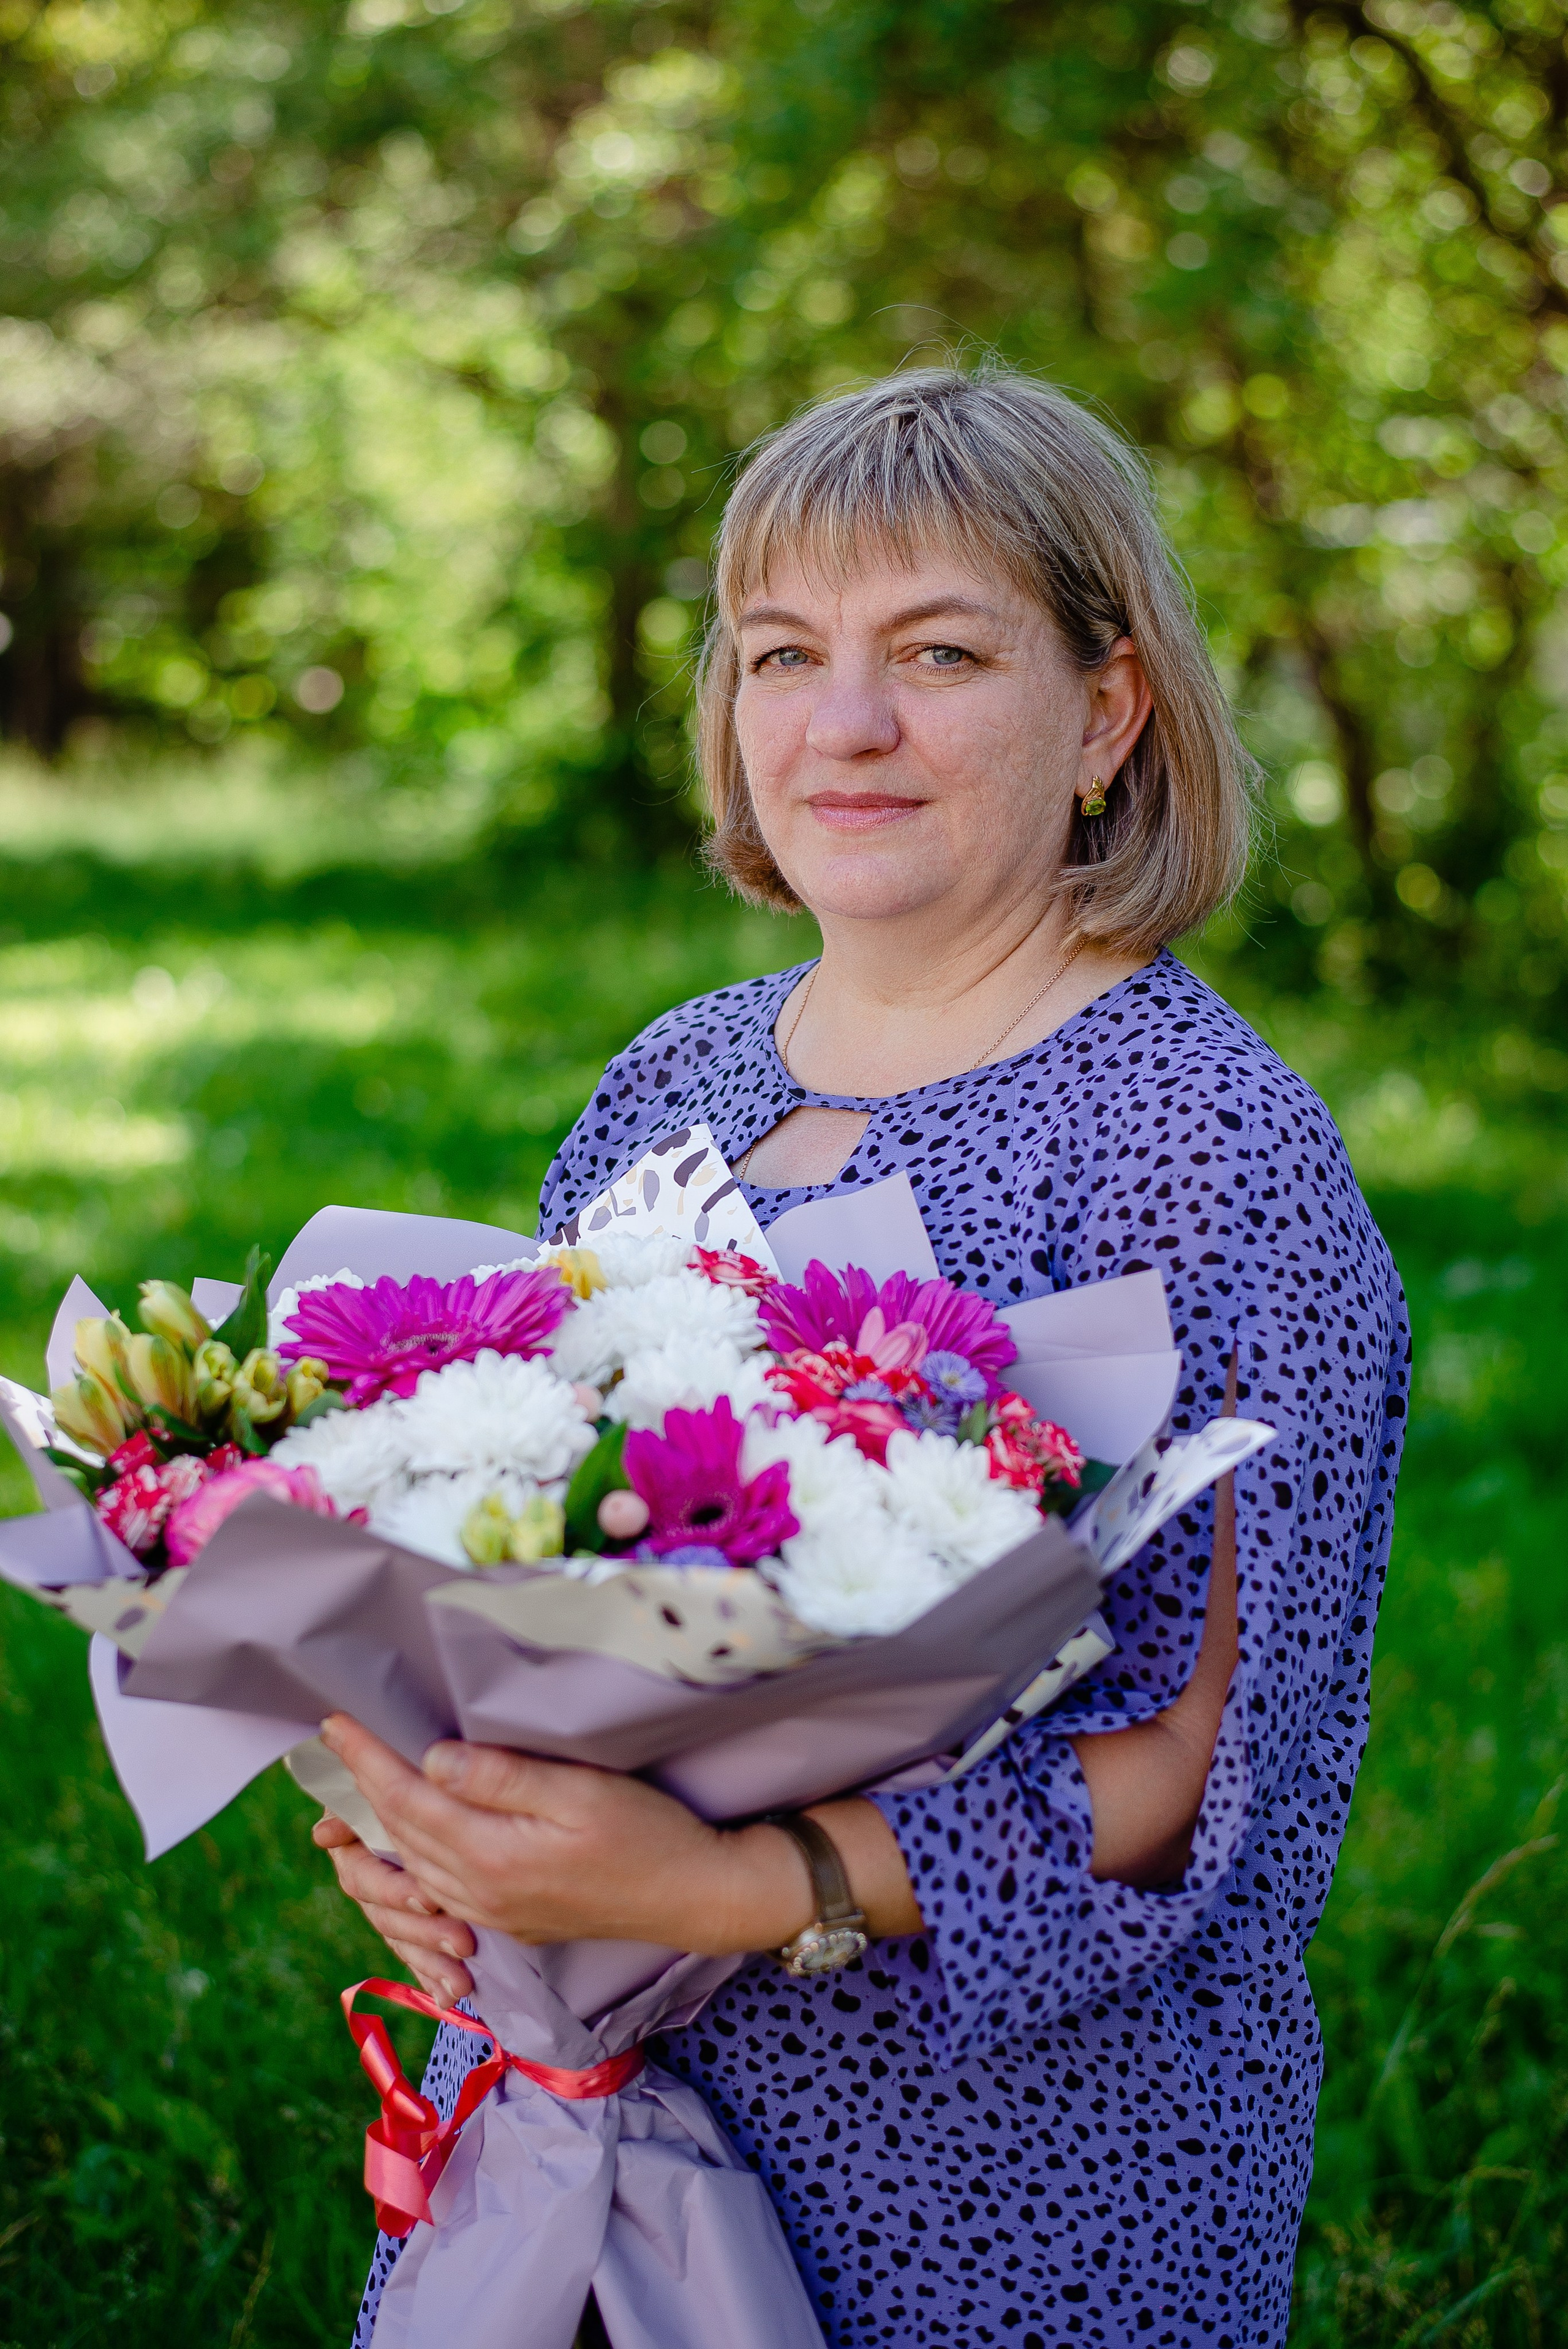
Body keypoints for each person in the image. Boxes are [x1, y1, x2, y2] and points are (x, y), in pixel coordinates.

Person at [321, 366, 1409, 2348]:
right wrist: (442, 1834)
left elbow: (1200, 1779)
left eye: (940, 651)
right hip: (584, 2107)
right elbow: (520, 1561)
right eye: (782, 654)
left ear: (1108, 707)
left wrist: (721, 1886)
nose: (846, 724)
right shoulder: (681, 1071)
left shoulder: (1205, 1151)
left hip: (1005, 2182)